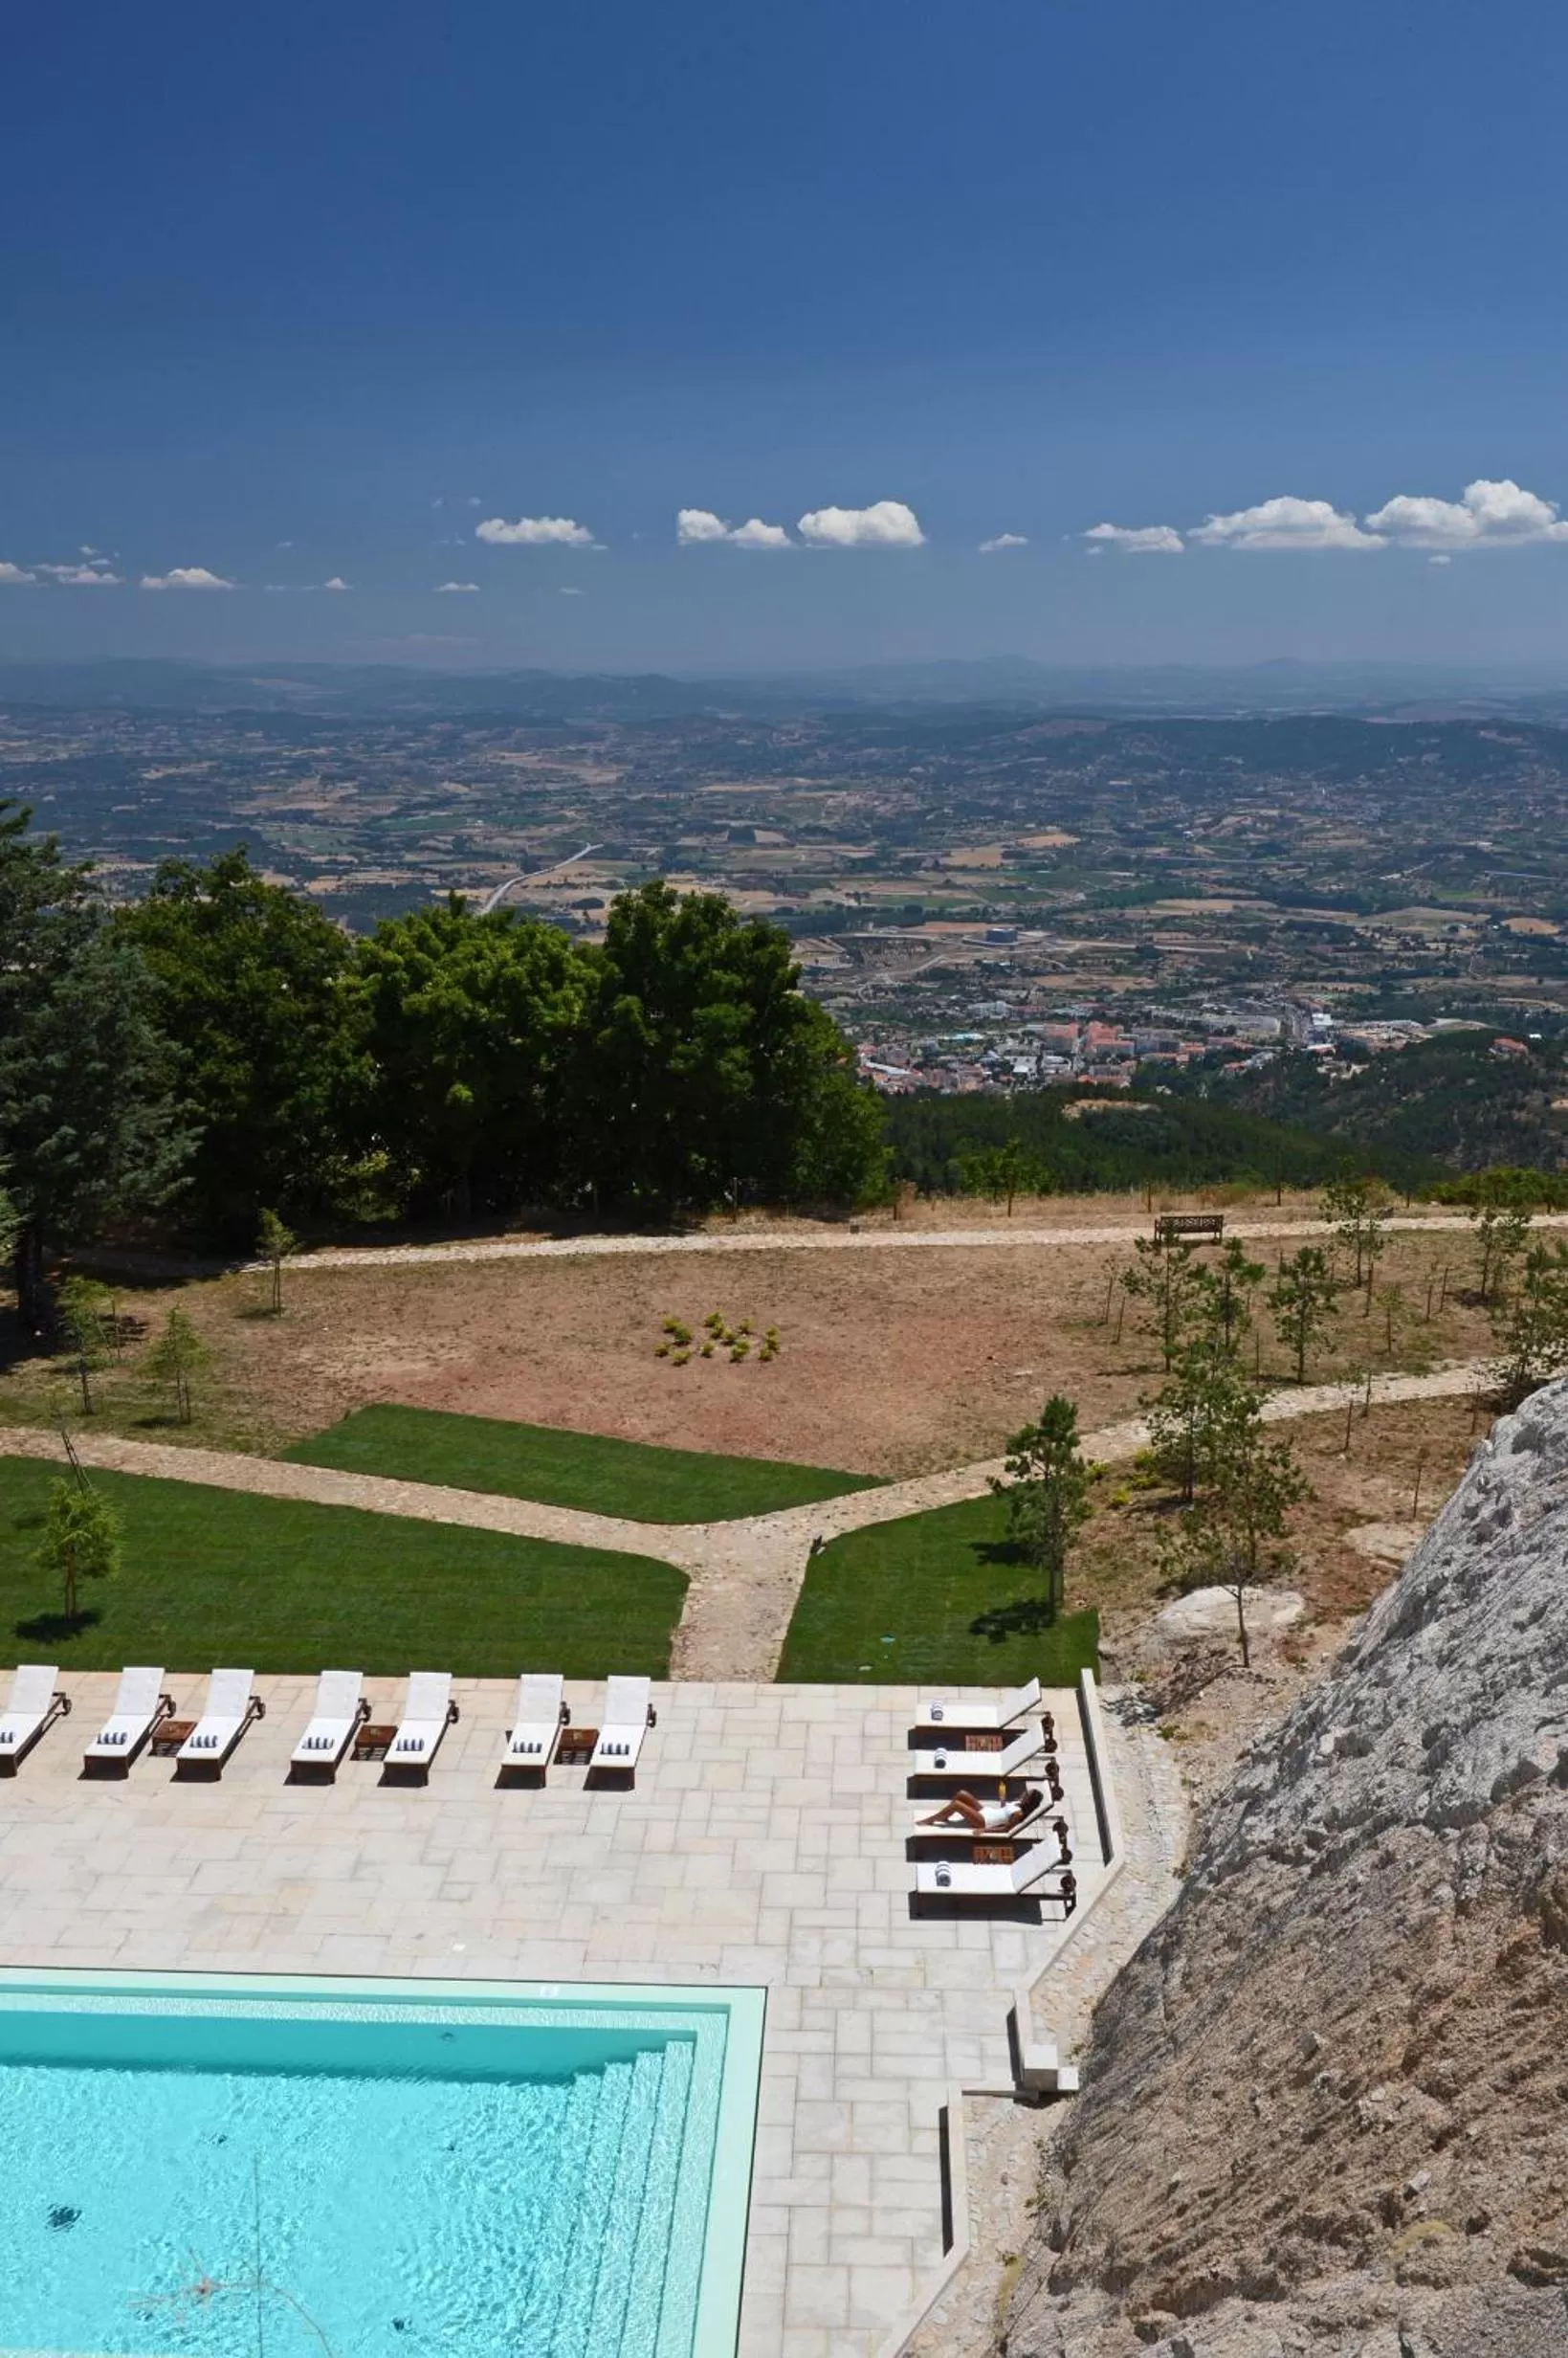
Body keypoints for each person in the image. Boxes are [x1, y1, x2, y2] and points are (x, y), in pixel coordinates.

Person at [917, 1786, 1043, 1836]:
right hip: (986, 1811)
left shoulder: (1019, 1814)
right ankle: (945, 1816)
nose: (1025, 1793)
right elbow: (1004, 1810)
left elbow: (1006, 1829)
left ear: (1029, 1801)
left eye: (1027, 1794)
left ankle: (930, 1820)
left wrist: (984, 1830)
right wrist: (1002, 1797)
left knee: (957, 1805)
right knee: (962, 1794)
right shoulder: (1018, 1803)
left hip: (983, 1821)